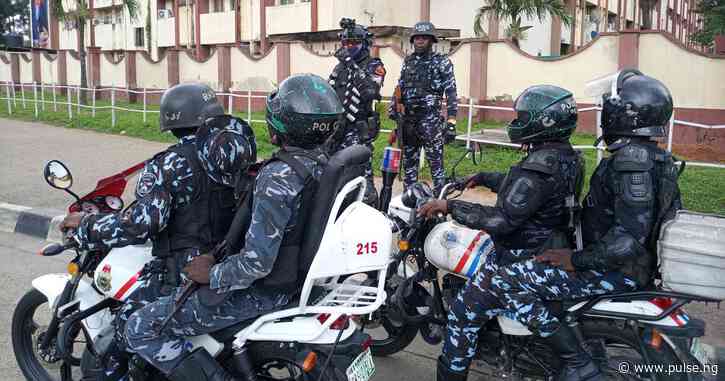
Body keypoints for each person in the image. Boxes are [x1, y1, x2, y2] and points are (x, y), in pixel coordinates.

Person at [124, 74, 342, 381]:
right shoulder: (326, 166)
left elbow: (256, 263)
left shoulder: (279, 177)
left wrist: (210, 274)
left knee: (140, 328)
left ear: (278, 123)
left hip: (264, 291)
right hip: (299, 280)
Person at [487, 71, 682, 381]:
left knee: (507, 281)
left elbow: (628, 238)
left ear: (626, 112)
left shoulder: (632, 161)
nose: (606, 109)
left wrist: (575, 260)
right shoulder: (653, 157)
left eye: (610, 104)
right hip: (629, 265)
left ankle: (577, 361)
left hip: (617, 271)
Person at [59, 82, 257, 380]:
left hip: (185, 272)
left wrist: (86, 226)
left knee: (125, 328)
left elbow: (140, 225)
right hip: (226, 260)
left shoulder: (169, 164)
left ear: (172, 122)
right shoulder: (235, 154)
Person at [417, 85, 584, 381]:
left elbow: (501, 220)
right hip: (549, 245)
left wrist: (449, 206)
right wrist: (484, 177)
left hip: (519, 257)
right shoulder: (566, 157)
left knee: (461, 317)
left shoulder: (538, 168)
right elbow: (525, 189)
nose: (516, 123)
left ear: (542, 122)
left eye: (522, 118)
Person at [389, 21, 457, 195]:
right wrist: (394, 110)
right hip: (409, 122)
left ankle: (439, 205)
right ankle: (409, 200)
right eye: (417, 38)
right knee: (409, 168)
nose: (420, 41)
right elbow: (400, 87)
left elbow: (451, 94)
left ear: (431, 40)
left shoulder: (442, 62)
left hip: (431, 123)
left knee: (437, 168)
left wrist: (451, 122)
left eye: (424, 38)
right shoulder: (408, 62)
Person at [328, 17, 385, 205]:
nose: (349, 46)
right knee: (335, 173)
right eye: (346, 42)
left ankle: (370, 208)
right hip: (338, 128)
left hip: (358, 130)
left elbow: (371, 91)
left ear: (365, 43)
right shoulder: (340, 66)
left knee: (361, 174)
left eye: (354, 42)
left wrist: (351, 64)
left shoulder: (374, 65)